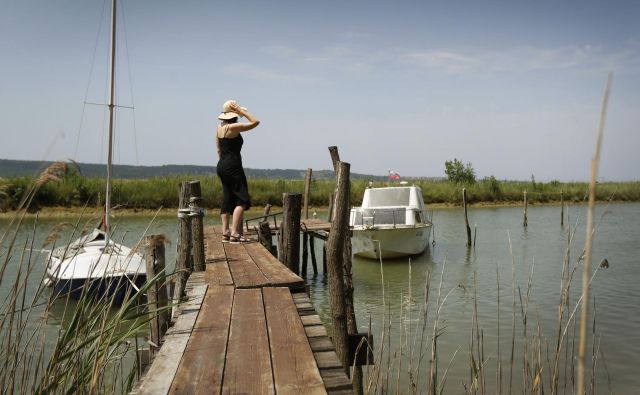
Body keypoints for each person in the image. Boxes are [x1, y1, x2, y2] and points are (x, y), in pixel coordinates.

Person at [216, 100, 260, 243]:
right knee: (243, 199)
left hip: (222, 165)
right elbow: (255, 122)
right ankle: (235, 233)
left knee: (228, 197)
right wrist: (243, 112)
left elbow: (218, 149)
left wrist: (225, 162)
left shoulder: (219, 128)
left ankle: (225, 232)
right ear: (234, 115)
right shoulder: (233, 127)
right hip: (233, 166)